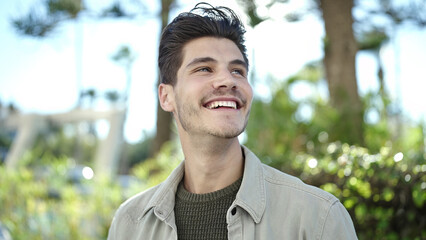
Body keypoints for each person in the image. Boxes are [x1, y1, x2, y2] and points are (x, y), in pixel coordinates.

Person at [107, 2, 358, 239]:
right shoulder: (130, 224)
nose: (228, 80)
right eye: (204, 68)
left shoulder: (318, 217)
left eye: (237, 70)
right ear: (166, 96)